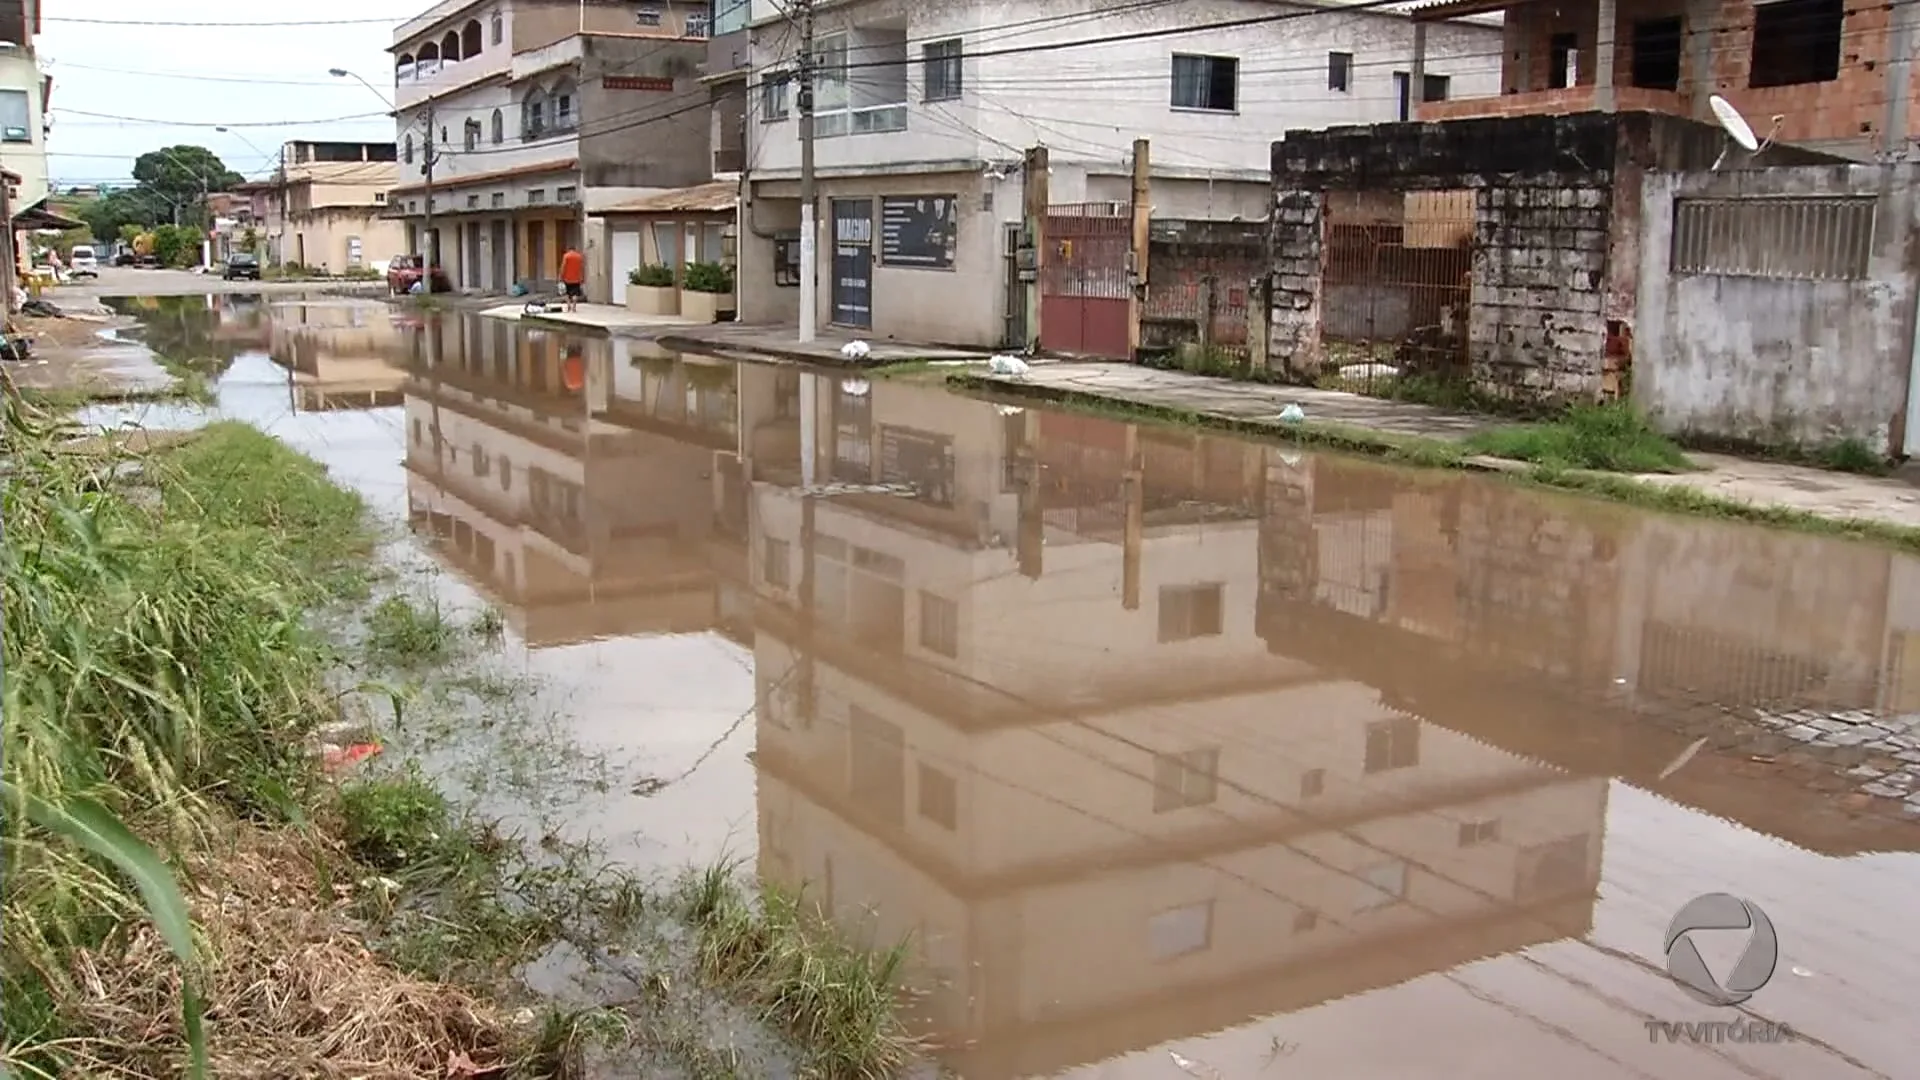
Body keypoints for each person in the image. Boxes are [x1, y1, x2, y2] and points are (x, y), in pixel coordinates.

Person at [559, 245, 585, 312]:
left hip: (567, 278)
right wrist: (582, 277)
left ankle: (568, 305)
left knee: (565, 293)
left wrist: (560, 276)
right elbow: (582, 268)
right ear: (575, 249)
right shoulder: (579, 257)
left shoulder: (566, 256)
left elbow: (563, 266)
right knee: (575, 293)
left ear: (569, 249)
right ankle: (574, 306)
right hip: (576, 279)